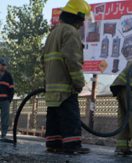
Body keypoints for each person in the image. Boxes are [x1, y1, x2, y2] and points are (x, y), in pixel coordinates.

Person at [41, 0, 92, 154]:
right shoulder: (70, 32)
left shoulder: (53, 33)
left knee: (54, 116)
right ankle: (73, 145)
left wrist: (48, 80)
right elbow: (72, 59)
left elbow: (43, 59)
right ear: (76, 17)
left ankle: (54, 143)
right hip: (65, 87)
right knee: (70, 115)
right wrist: (78, 82)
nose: (83, 23)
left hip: (52, 86)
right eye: (82, 18)